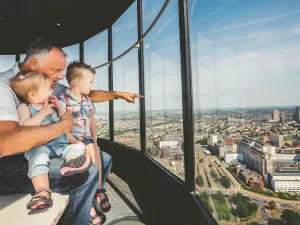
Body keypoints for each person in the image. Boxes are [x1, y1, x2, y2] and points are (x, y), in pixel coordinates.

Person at [0, 37, 142, 225]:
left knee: (104, 159)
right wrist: (63, 124)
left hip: (43, 149)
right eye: (56, 70)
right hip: (7, 163)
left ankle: (84, 205)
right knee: (88, 171)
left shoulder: (47, 83)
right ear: (34, 64)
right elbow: (7, 143)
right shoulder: (4, 87)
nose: (60, 76)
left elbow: (85, 94)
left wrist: (116, 94)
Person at [10, 70, 92, 210]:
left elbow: (63, 121)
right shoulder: (24, 107)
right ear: (33, 95)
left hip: (60, 144)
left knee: (77, 147)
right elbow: (24, 127)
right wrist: (41, 114)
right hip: (40, 145)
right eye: (48, 89)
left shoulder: (52, 105)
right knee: (38, 157)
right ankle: (42, 191)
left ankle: (71, 164)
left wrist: (59, 107)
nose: (51, 91)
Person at [58, 61, 110, 223]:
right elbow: (61, 127)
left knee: (95, 149)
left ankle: (98, 189)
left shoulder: (87, 100)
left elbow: (92, 120)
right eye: (90, 82)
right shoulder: (62, 101)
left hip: (86, 139)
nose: (91, 86)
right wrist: (75, 141)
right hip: (70, 141)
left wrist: (94, 139)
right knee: (90, 158)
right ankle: (90, 206)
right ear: (77, 81)